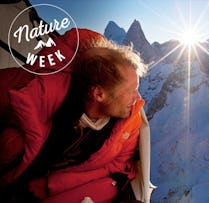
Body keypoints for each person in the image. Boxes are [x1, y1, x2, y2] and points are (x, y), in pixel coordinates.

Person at [0, 29, 155, 203]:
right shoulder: (34, 97)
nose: (137, 99)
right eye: (130, 91)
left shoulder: (128, 123)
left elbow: (119, 165)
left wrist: (51, 185)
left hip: (57, 186)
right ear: (98, 94)